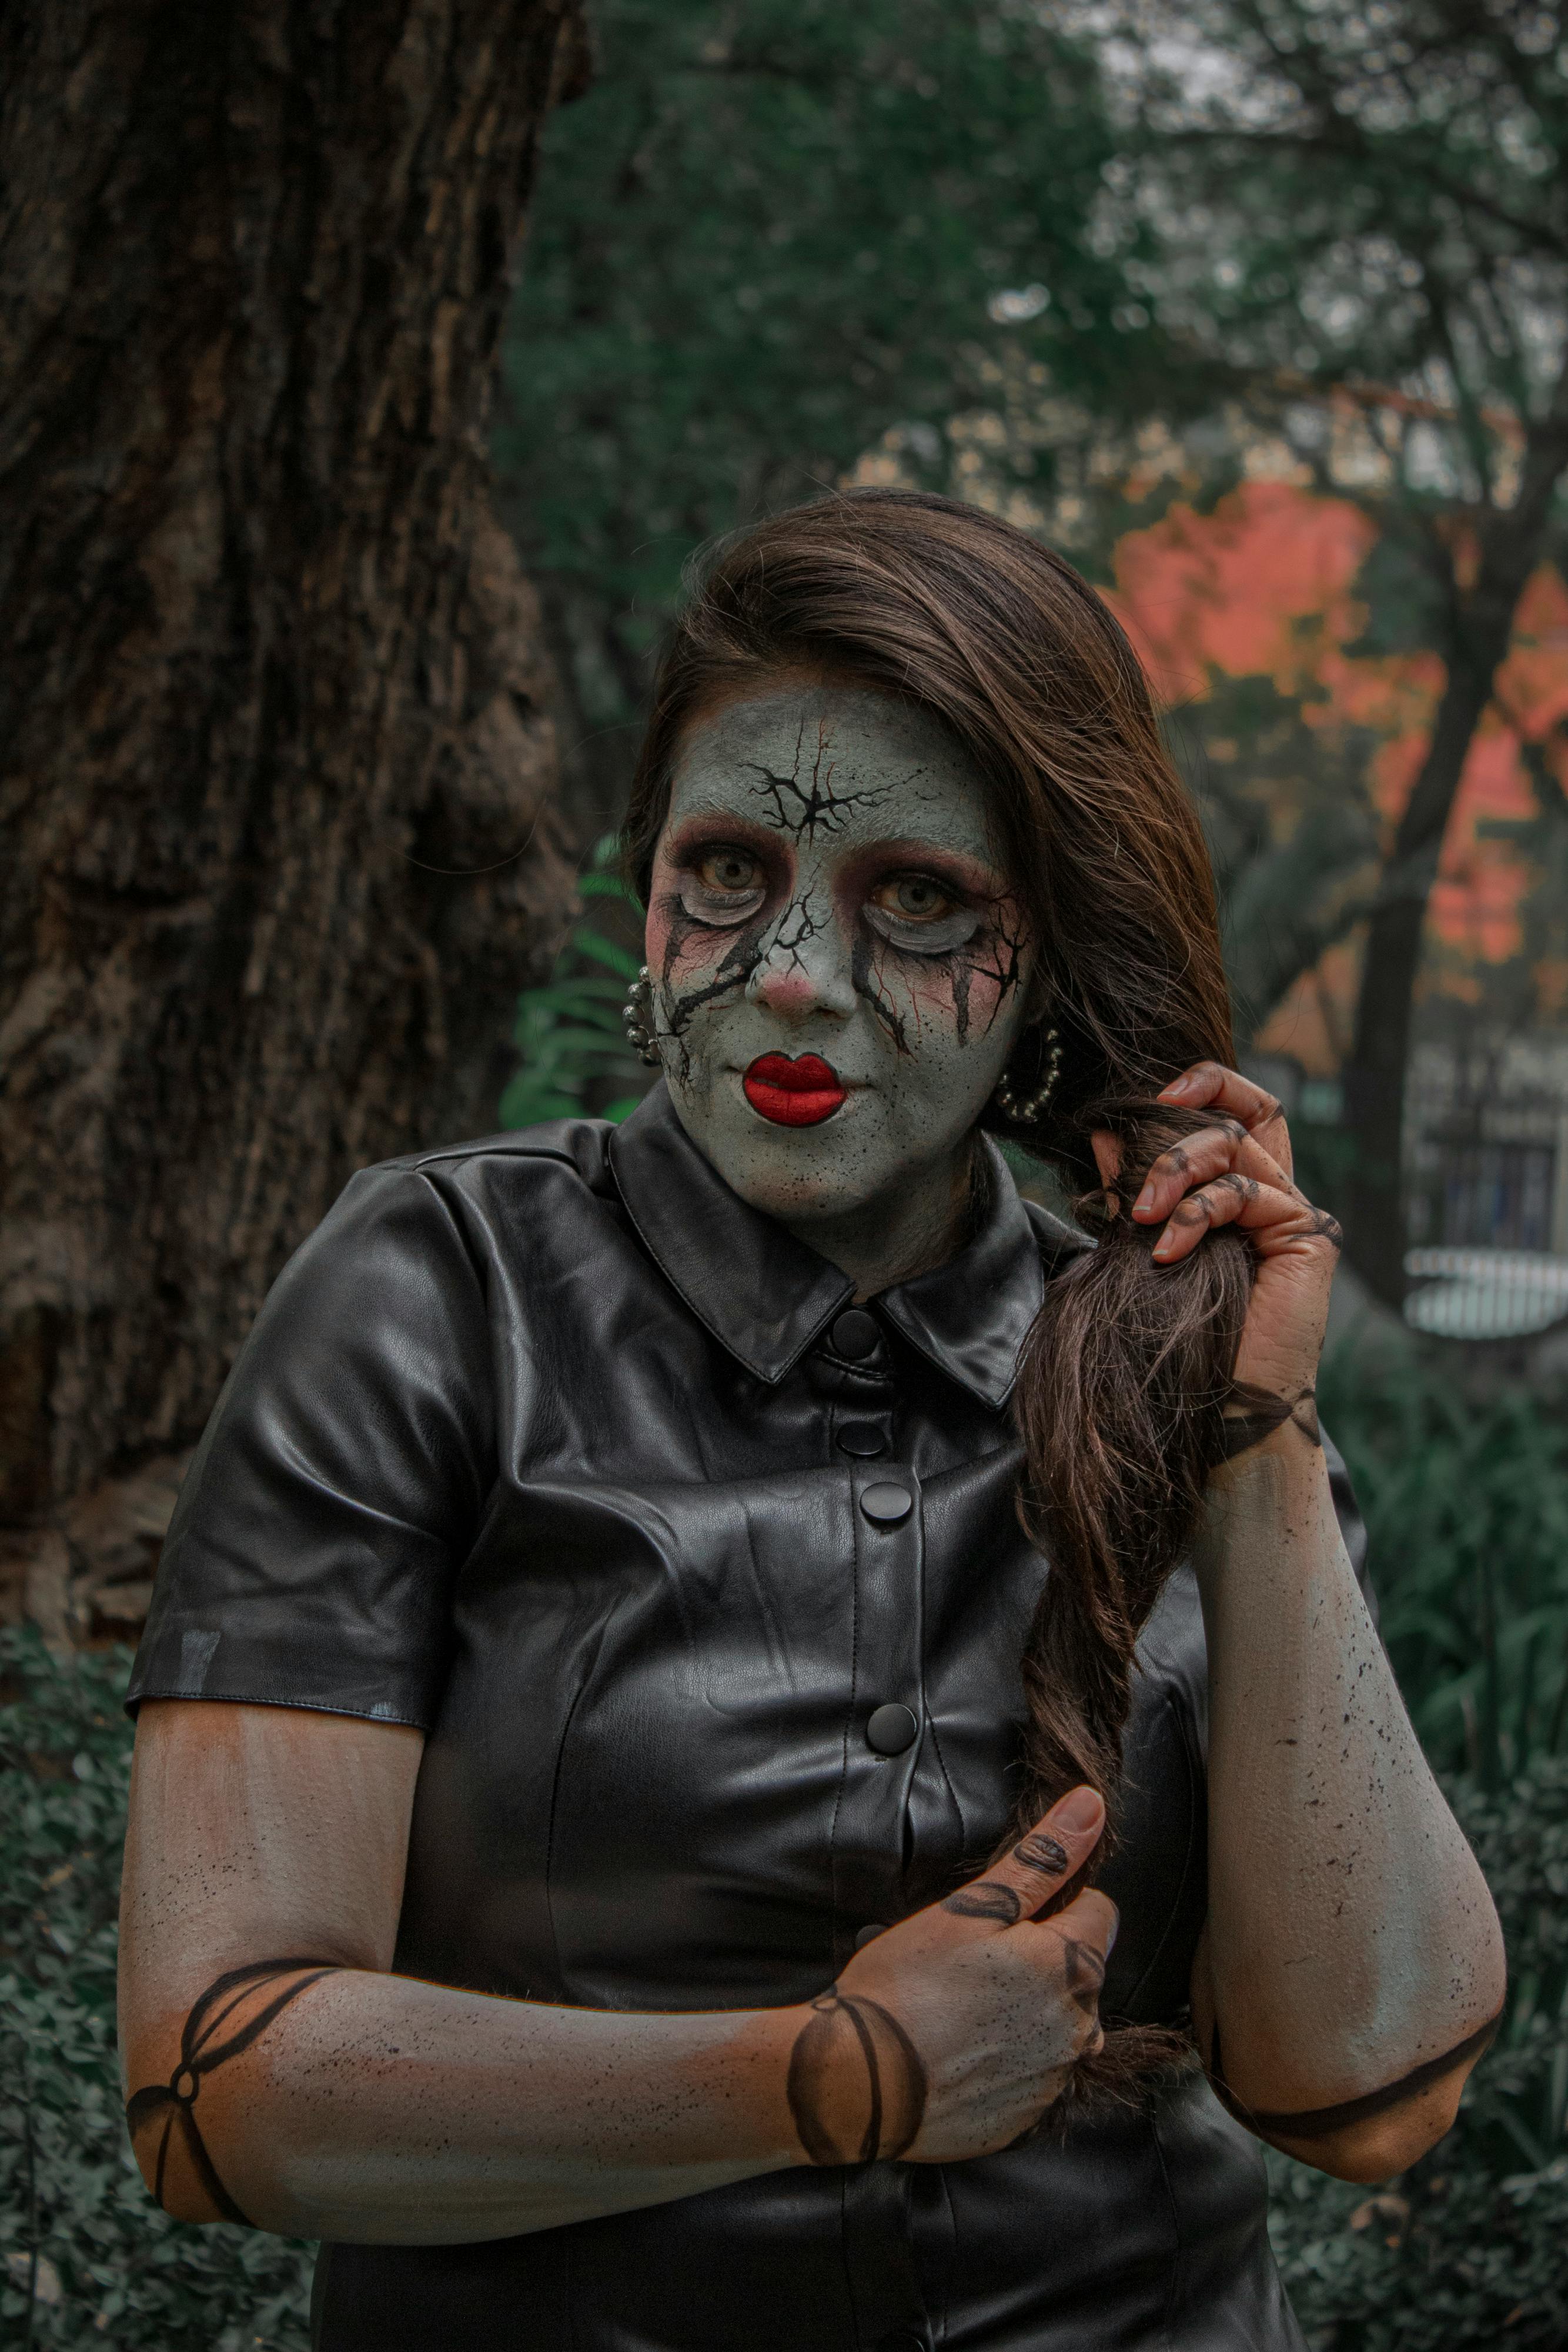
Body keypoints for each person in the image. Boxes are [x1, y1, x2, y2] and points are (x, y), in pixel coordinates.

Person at [119, 490, 1505, 2352]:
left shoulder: (1168, 1330)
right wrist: (824, 2079)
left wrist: (1247, 1436)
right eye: (723, 874)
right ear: (647, 895)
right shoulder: (435, 1290)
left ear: (1048, 958)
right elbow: (215, 2090)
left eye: (914, 898)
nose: (788, 971)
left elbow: (1370, 2096)